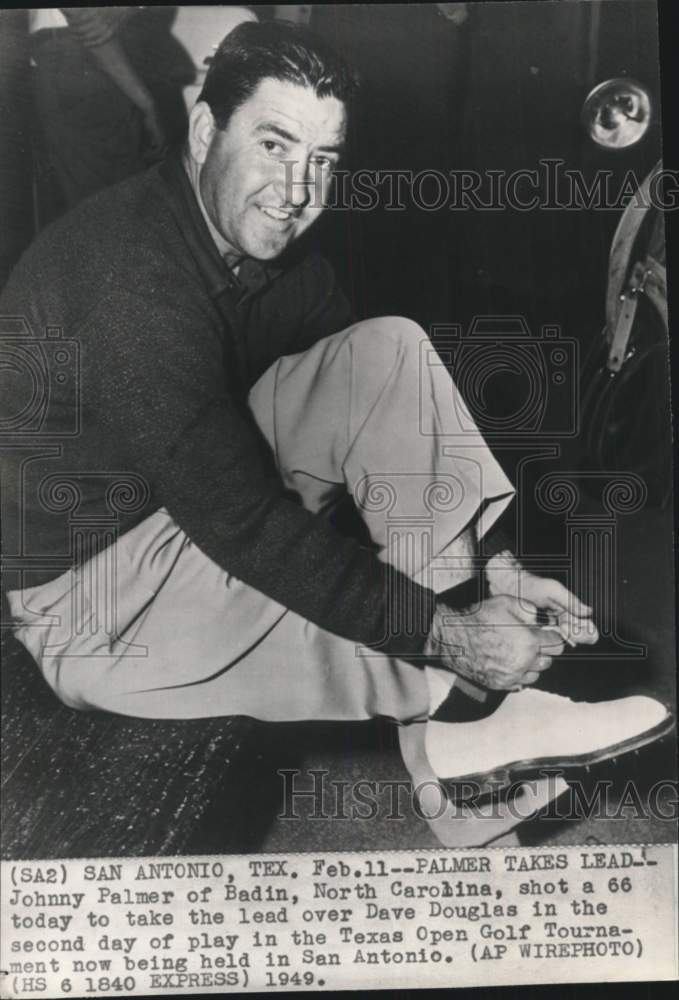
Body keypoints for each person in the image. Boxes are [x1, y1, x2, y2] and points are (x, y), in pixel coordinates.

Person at [1, 21, 670, 798]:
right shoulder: (129, 277)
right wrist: (452, 634)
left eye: (323, 159)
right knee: (337, 597)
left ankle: (467, 725)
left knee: (384, 349)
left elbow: (385, 419)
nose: (296, 191)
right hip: (91, 607)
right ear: (203, 129)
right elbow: (244, 524)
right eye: (275, 145)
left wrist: (497, 569)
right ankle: (462, 707)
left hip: (168, 516)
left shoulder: (268, 253)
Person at [29, 7, 167, 218]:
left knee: (101, 210)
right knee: (114, 212)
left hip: (84, 59)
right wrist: (146, 104)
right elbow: (86, 20)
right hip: (88, 58)